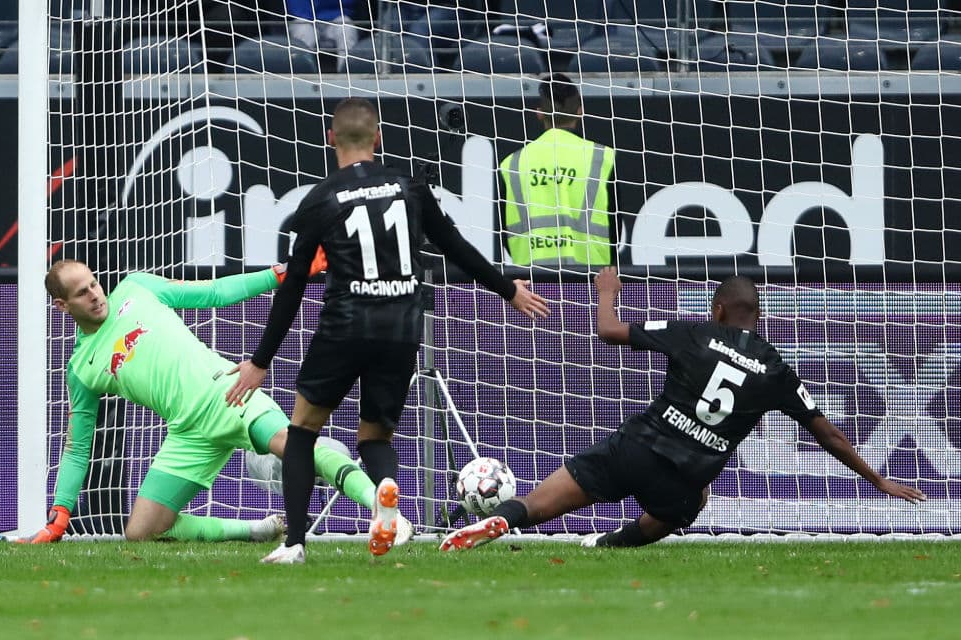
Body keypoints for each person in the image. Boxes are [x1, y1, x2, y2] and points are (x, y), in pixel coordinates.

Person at [226, 97, 550, 564]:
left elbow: (294, 285)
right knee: (375, 438)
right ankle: (387, 498)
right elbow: (455, 245)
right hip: (401, 327)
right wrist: (507, 290)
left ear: (330, 139)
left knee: (301, 432)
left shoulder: (319, 200)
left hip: (345, 326)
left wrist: (259, 362)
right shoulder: (408, 187)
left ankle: (295, 542)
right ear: (378, 138)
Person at [440, 268, 927, 551]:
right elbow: (829, 434)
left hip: (633, 449)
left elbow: (609, 330)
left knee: (540, 503)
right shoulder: (775, 370)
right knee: (691, 505)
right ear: (757, 317)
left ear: (717, 309)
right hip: (681, 482)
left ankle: (503, 519)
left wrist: (607, 290)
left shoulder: (695, 333)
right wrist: (877, 480)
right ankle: (606, 546)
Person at [19, 256, 414, 546]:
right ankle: (255, 530)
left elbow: (212, 293)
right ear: (62, 306)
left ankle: (382, 510)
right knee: (141, 531)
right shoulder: (81, 368)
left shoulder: (136, 288)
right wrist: (60, 514)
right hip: (187, 433)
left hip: (226, 393)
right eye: (81, 292)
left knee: (291, 445)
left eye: (94, 283)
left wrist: (280, 274)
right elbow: (77, 446)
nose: (94, 295)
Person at [499, 72, 619, 268]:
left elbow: (503, 230)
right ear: (580, 111)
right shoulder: (602, 157)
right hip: (591, 279)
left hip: (531, 284)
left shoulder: (512, 163)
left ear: (539, 113)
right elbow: (615, 224)